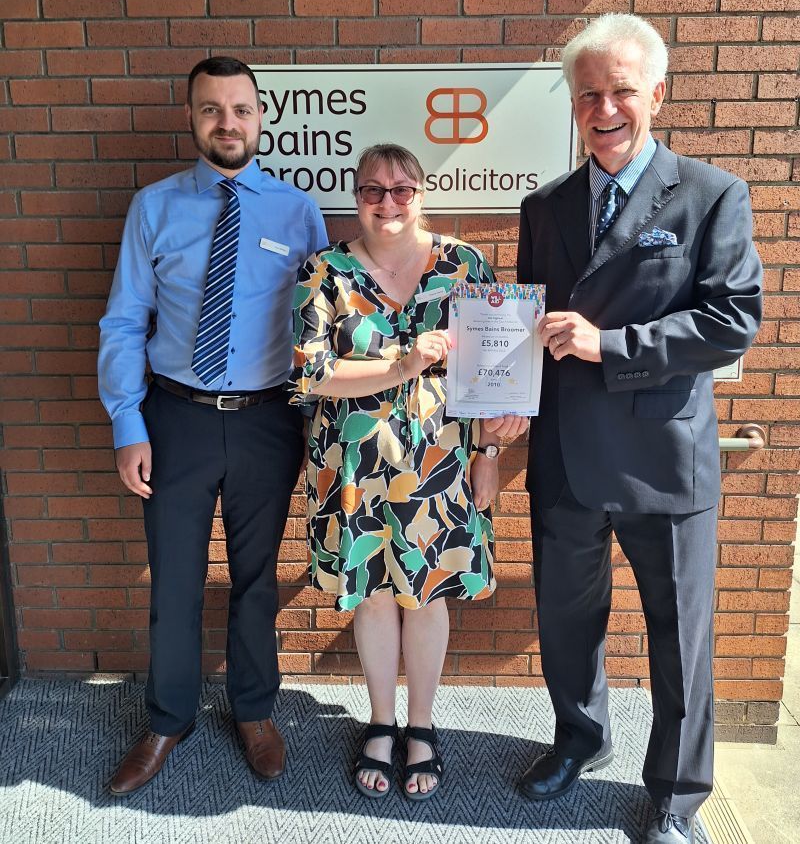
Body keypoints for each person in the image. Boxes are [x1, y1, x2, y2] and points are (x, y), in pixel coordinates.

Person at [516, 14, 762, 844]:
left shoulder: (710, 194)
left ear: (658, 93)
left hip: (664, 455)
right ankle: (579, 739)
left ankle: (677, 795)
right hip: (566, 456)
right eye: (589, 94)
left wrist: (610, 344)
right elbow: (524, 327)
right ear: (574, 105)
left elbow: (732, 320)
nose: (606, 107)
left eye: (623, 90)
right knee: (567, 619)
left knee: (680, 635)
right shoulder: (544, 206)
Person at [98, 56, 327, 794]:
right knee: (175, 578)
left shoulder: (297, 212)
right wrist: (127, 423)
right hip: (175, 421)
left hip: (268, 422)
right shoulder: (153, 207)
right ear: (191, 118)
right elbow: (126, 319)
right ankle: (167, 719)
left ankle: (254, 710)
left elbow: (321, 329)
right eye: (210, 110)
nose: (226, 122)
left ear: (262, 118)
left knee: (257, 579)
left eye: (239, 109)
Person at [289, 144, 526, 801]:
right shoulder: (325, 271)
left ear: (421, 193)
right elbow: (310, 373)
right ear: (356, 196)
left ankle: (420, 725)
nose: (387, 203)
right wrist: (403, 363)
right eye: (372, 190)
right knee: (370, 594)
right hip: (353, 468)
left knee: (425, 596)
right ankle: (382, 721)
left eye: (401, 189)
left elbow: (492, 372)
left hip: (439, 464)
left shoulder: (464, 264)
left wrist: (490, 454)